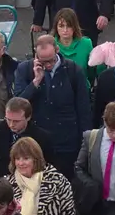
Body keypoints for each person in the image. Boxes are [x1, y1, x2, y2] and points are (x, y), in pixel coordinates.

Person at [12, 33, 92, 180]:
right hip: (35, 142)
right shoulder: (24, 69)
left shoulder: (73, 71)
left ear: (57, 50)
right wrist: (36, 82)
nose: (48, 65)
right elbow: (18, 105)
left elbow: (83, 108)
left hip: (66, 142)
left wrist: (84, 142)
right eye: (43, 61)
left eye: (50, 60)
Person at [0, 95, 53, 182]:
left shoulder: (41, 138)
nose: (11, 124)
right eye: (8, 119)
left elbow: (47, 166)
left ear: (28, 117)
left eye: (16, 121)